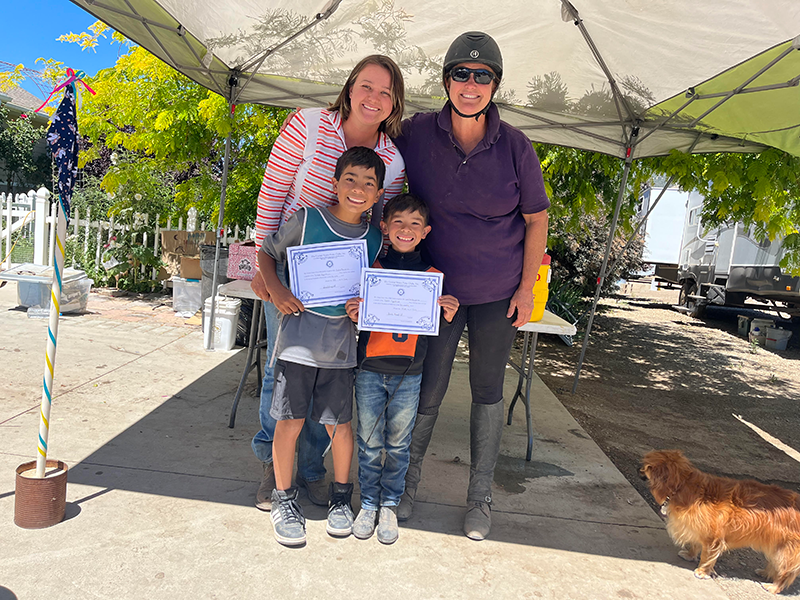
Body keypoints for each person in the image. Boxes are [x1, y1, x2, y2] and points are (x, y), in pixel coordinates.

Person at [392, 32, 550, 541]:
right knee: (428, 388)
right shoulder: (416, 132)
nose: (471, 84)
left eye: (483, 76)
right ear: (446, 81)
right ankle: (404, 486)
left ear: (494, 86)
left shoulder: (516, 146)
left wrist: (526, 289)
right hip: (435, 294)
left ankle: (480, 500)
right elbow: (373, 162)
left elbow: (537, 220)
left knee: (487, 391)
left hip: (498, 294)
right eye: (462, 73)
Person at [250, 55, 406, 512]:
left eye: (385, 91)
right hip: (288, 277)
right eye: (366, 86)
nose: (374, 98)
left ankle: (312, 470)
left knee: (327, 378)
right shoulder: (309, 124)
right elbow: (273, 191)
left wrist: (370, 293)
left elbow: (381, 226)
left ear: (395, 101)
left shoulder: (393, 161)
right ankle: (273, 468)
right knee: (283, 376)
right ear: (350, 88)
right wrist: (267, 275)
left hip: (341, 293)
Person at [257, 146, 386, 546]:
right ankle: (283, 498)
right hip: (297, 343)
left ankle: (341, 499)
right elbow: (266, 253)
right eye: (350, 179)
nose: (358, 189)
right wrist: (277, 290)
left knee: (339, 426)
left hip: (341, 351)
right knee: (290, 421)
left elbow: (370, 291)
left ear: (379, 194)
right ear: (334, 182)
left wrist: (363, 306)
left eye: (369, 183)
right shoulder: (307, 219)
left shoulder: (374, 239)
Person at [344, 194, 459, 544]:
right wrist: (355, 310)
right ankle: (368, 503)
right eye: (398, 222)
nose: (405, 230)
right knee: (367, 440)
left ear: (425, 232)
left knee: (397, 444)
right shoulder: (370, 273)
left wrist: (449, 310)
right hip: (369, 369)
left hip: (410, 374)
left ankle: (390, 504)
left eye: (414, 224)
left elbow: (440, 320)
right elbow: (358, 317)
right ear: (384, 226)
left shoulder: (433, 279)